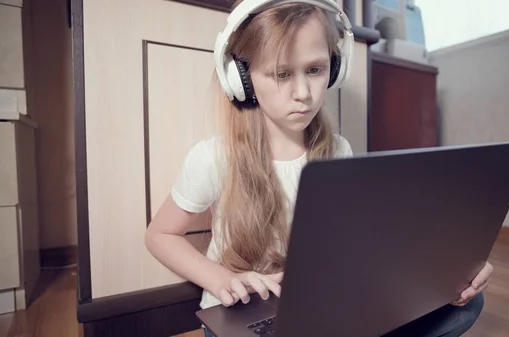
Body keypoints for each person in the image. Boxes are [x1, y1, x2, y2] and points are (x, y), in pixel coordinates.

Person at [145, 0, 491, 336]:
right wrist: (222, 280)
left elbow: (361, 239)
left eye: (315, 70)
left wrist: (445, 269)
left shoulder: (337, 151)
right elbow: (160, 236)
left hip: (318, 305)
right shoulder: (214, 157)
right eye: (281, 73)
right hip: (244, 311)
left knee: (464, 307)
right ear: (242, 79)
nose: (303, 93)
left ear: (335, 68)